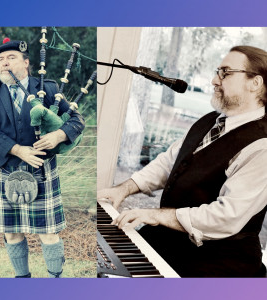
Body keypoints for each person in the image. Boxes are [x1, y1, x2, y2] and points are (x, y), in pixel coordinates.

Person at [98, 45, 267, 277]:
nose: (214, 80)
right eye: (217, 71)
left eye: (225, 73)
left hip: (217, 264)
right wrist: (124, 189)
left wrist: (156, 215)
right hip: (172, 244)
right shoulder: (211, 121)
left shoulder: (262, 145)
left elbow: (227, 216)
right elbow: (169, 163)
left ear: (255, 83)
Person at [0, 38, 85, 278]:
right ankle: (22, 281)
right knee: (12, 232)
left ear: (26, 63)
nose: (4, 63)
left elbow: (77, 120)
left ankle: (55, 281)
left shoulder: (47, 88)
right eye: (1, 60)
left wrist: (59, 134)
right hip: (4, 168)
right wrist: (18, 149)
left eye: (11, 58)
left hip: (41, 172)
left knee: (48, 233)